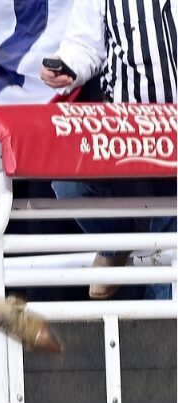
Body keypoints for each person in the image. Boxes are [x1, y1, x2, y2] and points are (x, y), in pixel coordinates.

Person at [41, 0, 176, 300]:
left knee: (167, 245)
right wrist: (66, 68)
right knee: (68, 183)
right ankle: (114, 245)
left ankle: (161, 332)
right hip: (122, 131)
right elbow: (84, 45)